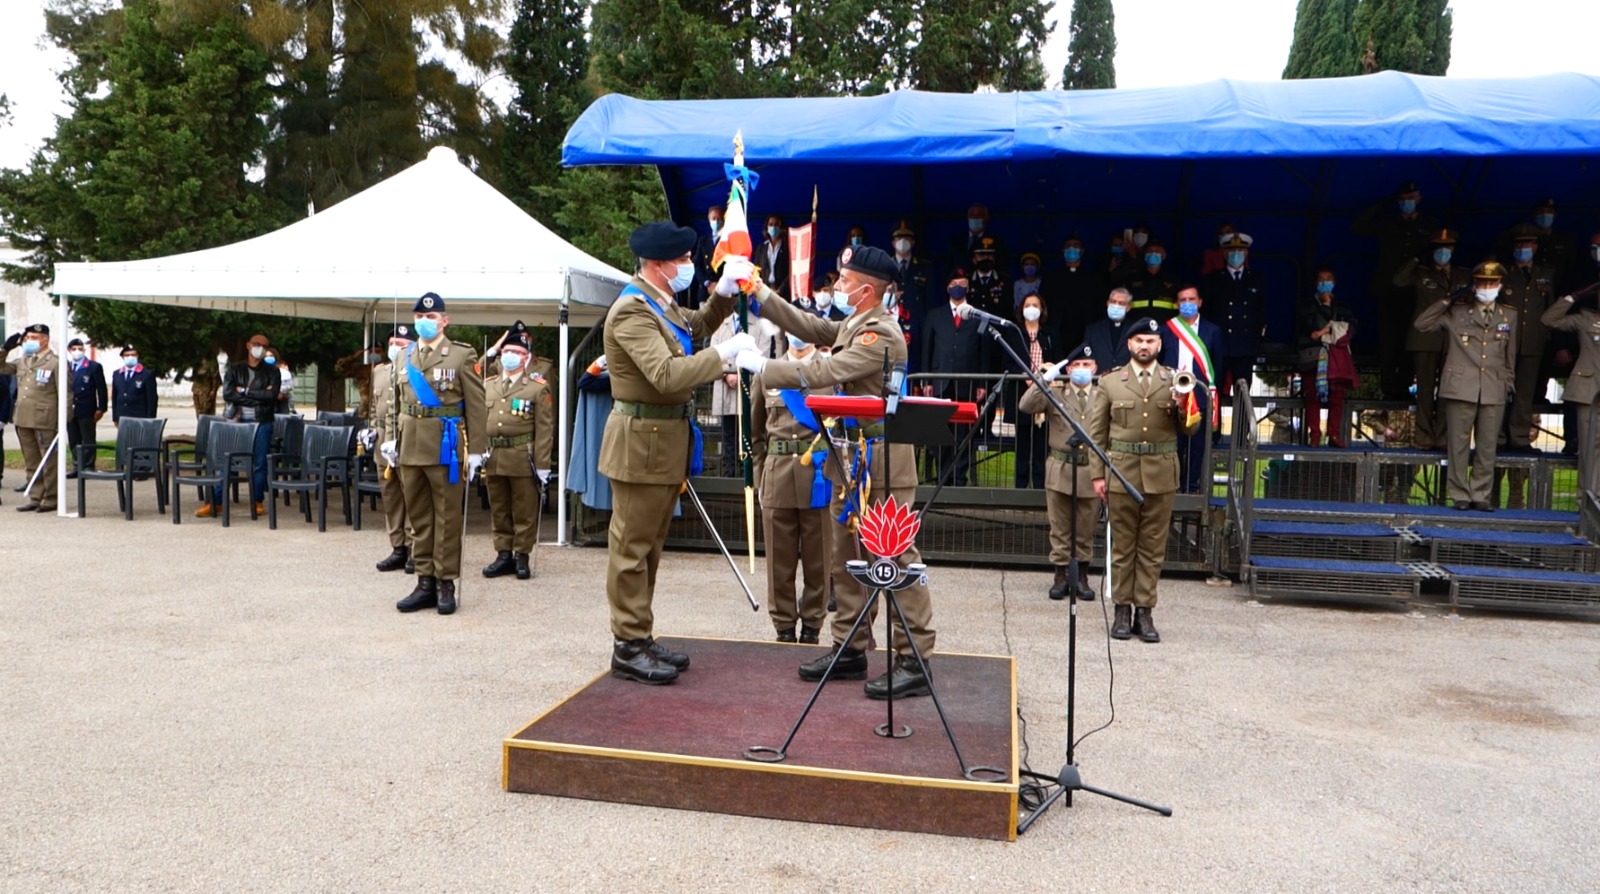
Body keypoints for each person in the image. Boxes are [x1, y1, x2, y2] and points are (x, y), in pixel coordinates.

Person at [735, 245, 938, 700]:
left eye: (844, 283)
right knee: (847, 558)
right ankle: (850, 645)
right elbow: (807, 325)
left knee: (893, 557)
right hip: (850, 458)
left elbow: (827, 368)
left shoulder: (881, 334)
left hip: (882, 461)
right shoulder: (854, 323)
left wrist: (765, 368)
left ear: (866, 290)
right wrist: (758, 291)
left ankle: (914, 657)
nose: (836, 289)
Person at [597, 221, 750, 685]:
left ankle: (639, 635)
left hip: (663, 443)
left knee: (650, 548)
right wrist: (725, 354)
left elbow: (696, 326)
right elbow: (665, 374)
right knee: (631, 549)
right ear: (659, 265)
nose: (688, 265)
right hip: (640, 442)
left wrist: (723, 293)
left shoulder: (659, 305)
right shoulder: (631, 311)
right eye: (682, 259)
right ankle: (627, 644)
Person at [1088, 317, 1200, 643]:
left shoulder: (1175, 380)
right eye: (1139, 340)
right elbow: (1097, 435)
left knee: (1152, 548)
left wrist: (1182, 406)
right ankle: (1122, 610)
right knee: (1123, 547)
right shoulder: (1111, 383)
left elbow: (1191, 428)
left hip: (1161, 473)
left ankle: (1145, 612)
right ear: (1129, 345)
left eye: (1150, 341)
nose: (1144, 346)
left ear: (1159, 345)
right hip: (1123, 472)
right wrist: (1098, 474)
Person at [380, 293, 487, 615]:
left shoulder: (460, 355)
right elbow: (394, 405)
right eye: (420, 318)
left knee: (447, 518)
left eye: (431, 317)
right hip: (409, 444)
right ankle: (424, 580)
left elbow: (477, 406)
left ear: (444, 321)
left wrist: (477, 451)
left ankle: (445, 583)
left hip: (445, 446)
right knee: (419, 518)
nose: (424, 322)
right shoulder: (404, 357)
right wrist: (389, 439)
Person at [1413, 262, 1518, 511]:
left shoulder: (1509, 315)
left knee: (1487, 445)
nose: (1487, 288)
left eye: (1492, 283)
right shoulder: (1457, 312)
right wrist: (1449, 299)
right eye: (1482, 283)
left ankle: (1481, 494)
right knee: (1458, 444)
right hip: (1461, 386)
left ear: (1500, 286)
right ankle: (1459, 493)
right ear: (1473, 286)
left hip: (1493, 386)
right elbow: (1422, 324)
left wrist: (1508, 383)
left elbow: (1510, 354)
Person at [749, 334, 831, 643]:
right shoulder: (767, 371)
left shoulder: (832, 370)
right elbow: (755, 435)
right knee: (778, 561)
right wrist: (761, 479)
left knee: (818, 559)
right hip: (778, 474)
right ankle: (783, 626)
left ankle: (812, 626)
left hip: (820, 477)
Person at [1019, 345, 1099, 601]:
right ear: (1069, 368)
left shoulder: (1102, 395)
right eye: (1077, 365)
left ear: (1095, 368)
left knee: (1085, 527)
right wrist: (1045, 378)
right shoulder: (1056, 393)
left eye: (1087, 365)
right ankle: (1061, 576)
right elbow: (1026, 405)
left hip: (1090, 468)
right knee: (1060, 527)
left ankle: (1082, 577)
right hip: (1061, 466)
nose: (1082, 370)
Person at [478, 326, 555, 581]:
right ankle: (503, 554)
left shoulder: (536, 387)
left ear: (525, 357)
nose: (510, 355)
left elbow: (545, 429)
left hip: (522, 456)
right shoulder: (489, 385)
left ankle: (522, 555)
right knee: (499, 507)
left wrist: (543, 464)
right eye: (507, 351)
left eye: (516, 352)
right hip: (494, 456)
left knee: (524, 509)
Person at [1353, 180, 1441, 399]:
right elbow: (1358, 225)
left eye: (1411, 199)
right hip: (1388, 290)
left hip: (1416, 291)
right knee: (1388, 341)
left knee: (1410, 340)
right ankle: (1389, 387)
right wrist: (1385, 203)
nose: (1407, 203)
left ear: (1419, 199)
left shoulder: (1429, 224)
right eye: (1403, 200)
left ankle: (1404, 385)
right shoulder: (1388, 222)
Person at [1394, 229, 1471, 449]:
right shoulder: (1421, 272)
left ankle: (1444, 437)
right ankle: (1424, 437)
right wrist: (1417, 257)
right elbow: (1398, 281)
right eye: (1438, 248)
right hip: (1425, 338)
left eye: (1447, 248)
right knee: (1425, 391)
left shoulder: (1463, 275)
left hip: (1453, 340)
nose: (1443, 252)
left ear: (1454, 250)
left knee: (1449, 390)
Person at [920, 269, 990, 487]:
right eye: (954, 282)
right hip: (940, 380)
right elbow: (927, 349)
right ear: (947, 286)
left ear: (968, 287)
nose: (958, 286)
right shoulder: (935, 315)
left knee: (963, 434)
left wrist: (982, 383)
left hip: (966, 383)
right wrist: (927, 381)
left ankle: (960, 477)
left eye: (963, 282)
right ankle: (943, 478)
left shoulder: (978, 315)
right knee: (941, 432)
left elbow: (983, 352)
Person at [200, 333, 279, 518]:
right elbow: (228, 394)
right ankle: (216, 502)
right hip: (236, 421)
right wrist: (258, 396)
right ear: (248, 345)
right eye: (256, 344)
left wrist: (244, 391)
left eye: (264, 346)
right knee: (225, 462)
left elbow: (271, 396)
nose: (260, 348)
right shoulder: (235, 370)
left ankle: (257, 501)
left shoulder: (272, 372)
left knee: (259, 464)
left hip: (262, 422)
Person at [1161, 284, 1226, 490]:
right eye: (1182, 300)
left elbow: (1219, 363)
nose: (1187, 304)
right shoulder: (1167, 329)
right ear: (1176, 304)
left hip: (1199, 394)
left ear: (1200, 302)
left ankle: (1192, 484)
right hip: (1172, 393)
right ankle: (1173, 484)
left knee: (1197, 445)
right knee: (1174, 443)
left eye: (1191, 299)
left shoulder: (1213, 330)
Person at [1498, 225, 1557, 451]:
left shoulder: (1546, 274)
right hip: (1505, 342)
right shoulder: (1504, 273)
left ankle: (1520, 437)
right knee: (1501, 391)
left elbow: (1550, 308)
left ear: (1535, 246)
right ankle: (1499, 438)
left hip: (1533, 341)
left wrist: (1548, 334)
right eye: (1519, 245)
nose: (1523, 249)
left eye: (1527, 244)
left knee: (1525, 393)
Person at [1002, 292, 1063, 489]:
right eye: (1028, 304)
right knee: (1022, 447)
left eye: (1036, 304)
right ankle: (1020, 488)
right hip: (1021, 394)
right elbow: (1006, 362)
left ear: (1042, 309)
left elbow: (1058, 361)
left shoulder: (1050, 334)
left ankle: (1039, 488)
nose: (1032, 308)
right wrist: (1024, 376)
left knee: (1041, 447)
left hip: (1045, 396)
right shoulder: (1014, 332)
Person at [1540, 292, 1599, 489]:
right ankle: (1587, 497)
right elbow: (1549, 319)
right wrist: (1574, 297)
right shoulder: (1585, 319)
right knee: (1588, 447)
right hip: (1588, 390)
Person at [370, 325, 416, 575]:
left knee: (411, 495)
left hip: (406, 439)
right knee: (390, 496)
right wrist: (369, 429)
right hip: (382, 443)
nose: (395, 348)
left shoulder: (415, 372)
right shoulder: (380, 371)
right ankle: (398, 546)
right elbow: (373, 405)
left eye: (402, 343)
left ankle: (413, 547)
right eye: (393, 343)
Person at [0, 324, 59, 513]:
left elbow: (65, 394)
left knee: (48, 460)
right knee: (31, 459)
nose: (28, 341)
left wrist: (63, 421)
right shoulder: (24, 360)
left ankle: (51, 498)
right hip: (23, 417)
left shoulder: (54, 362)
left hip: (45, 418)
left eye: (33, 337)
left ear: (44, 340)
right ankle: (36, 496)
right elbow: (2, 367)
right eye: (27, 338)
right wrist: (5, 349)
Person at [1297, 270, 1358, 447]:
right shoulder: (1306, 305)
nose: (1325, 283)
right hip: (1313, 357)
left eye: (1329, 280)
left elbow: (1351, 326)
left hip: (1337, 358)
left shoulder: (1342, 305)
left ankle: (1334, 434)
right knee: (1312, 396)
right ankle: (1315, 434)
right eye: (1321, 280)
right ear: (1315, 283)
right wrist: (1325, 306)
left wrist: (1333, 331)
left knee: (1336, 397)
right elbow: (1313, 324)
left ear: (1335, 283)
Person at [1200, 233, 1265, 398]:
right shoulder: (1212, 280)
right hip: (1219, 343)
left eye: (1240, 250)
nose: (1236, 254)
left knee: (1242, 393)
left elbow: (1261, 312)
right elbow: (1206, 312)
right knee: (1215, 393)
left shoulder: (1257, 279)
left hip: (1244, 344)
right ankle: (1214, 425)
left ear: (1246, 253)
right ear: (1224, 253)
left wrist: (1257, 338)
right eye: (1231, 251)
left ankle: (1241, 425)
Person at [1042, 234, 1100, 350]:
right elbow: (1044, 304)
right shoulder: (1052, 277)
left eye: (1076, 246)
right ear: (1063, 251)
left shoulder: (1093, 277)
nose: (1072, 248)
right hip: (1058, 330)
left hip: (1085, 331)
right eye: (1068, 246)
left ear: (1082, 251)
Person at [889, 220, 933, 366]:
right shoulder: (885, 267)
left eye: (907, 238)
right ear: (893, 243)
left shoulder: (925, 267)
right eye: (899, 238)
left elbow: (929, 300)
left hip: (916, 327)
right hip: (891, 324)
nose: (902, 242)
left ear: (913, 242)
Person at [64, 338, 107, 476]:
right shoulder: (66, 367)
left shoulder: (93, 367)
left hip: (87, 408)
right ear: (69, 350)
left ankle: (88, 466)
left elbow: (101, 389)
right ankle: (77, 466)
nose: (77, 351)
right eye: (74, 349)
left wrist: (101, 408)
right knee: (73, 439)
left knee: (88, 438)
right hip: (70, 409)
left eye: (80, 348)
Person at [1123, 241, 1181, 323]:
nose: (1153, 253)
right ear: (1144, 256)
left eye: (1157, 251)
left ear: (1163, 255)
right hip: (1137, 326)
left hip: (1165, 327)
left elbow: (1177, 306)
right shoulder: (1132, 279)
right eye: (1149, 251)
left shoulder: (1173, 280)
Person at [1084, 287, 1135, 370]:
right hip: (1099, 379)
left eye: (1121, 303)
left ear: (1128, 308)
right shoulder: (1093, 330)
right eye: (1113, 302)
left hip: (1127, 378)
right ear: (1107, 303)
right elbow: (1087, 355)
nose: (1116, 305)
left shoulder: (1135, 329)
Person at [110, 344, 159, 426]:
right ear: (122, 357)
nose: (130, 357)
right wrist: (115, 417)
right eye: (127, 355)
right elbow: (115, 397)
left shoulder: (146, 374)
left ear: (137, 356)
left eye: (133, 355)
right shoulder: (117, 374)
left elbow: (152, 399)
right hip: (122, 417)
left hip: (140, 417)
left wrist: (150, 419)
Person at [692, 204, 726, 310]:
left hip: (723, 291)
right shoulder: (703, 241)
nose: (716, 221)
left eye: (718, 218)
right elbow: (698, 265)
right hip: (705, 291)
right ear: (709, 219)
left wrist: (718, 285)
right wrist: (707, 283)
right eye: (713, 218)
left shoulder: (728, 241)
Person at [752, 214, 790, 299]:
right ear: (767, 227)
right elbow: (755, 270)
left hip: (782, 293)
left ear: (781, 228)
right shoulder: (761, 248)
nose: (773, 227)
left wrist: (780, 291)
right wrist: (761, 288)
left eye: (776, 225)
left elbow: (791, 272)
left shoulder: (787, 247)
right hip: (764, 290)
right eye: (771, 224)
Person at [263, 347, 294, 415]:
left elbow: (289, 385)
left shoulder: (283, 371)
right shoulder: (260, 371)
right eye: (266, 356)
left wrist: (280, 392)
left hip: (281, 402)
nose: (268, 358)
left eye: (271, 356)